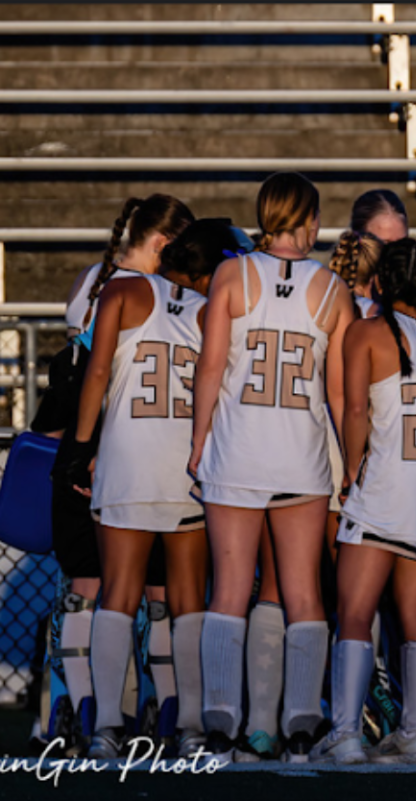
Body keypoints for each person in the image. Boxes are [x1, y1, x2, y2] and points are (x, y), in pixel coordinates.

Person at [189, 172, 356, 764]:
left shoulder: (231, 274)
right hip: (301, 455)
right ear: (308, 219)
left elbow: (209, 369)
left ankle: (220, 720)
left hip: (237, 451)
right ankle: (301, 724)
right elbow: (338, 394)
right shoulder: (334, 287)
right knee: (304, 593)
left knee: (230, 590)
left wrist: (198, 440)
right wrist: (350, 461)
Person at [63, 218, 241, 759]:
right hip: (188, 461)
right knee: (188, 599)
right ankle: (188, 725)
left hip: (128, 457)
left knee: (119, 592)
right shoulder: (217, 307)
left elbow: (96, 374)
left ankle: (108, 728)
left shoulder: (122, 289)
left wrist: (81, 446)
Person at [42, 194, 195, 752]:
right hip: (133, 450)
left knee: (95, 591)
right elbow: (96, 377)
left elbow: (82, 375)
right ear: (162, 244)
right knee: (156, 594)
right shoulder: (156, 292)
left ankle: (94, 714)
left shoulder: (99, 282)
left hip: (103, 451)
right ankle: (157, 711)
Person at [310, 239, 416, 765]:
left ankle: (346, 733)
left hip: (386, 486)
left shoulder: (366, 332)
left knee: (354, 612)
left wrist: (352, 471)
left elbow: (356, 412)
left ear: (383, 283)